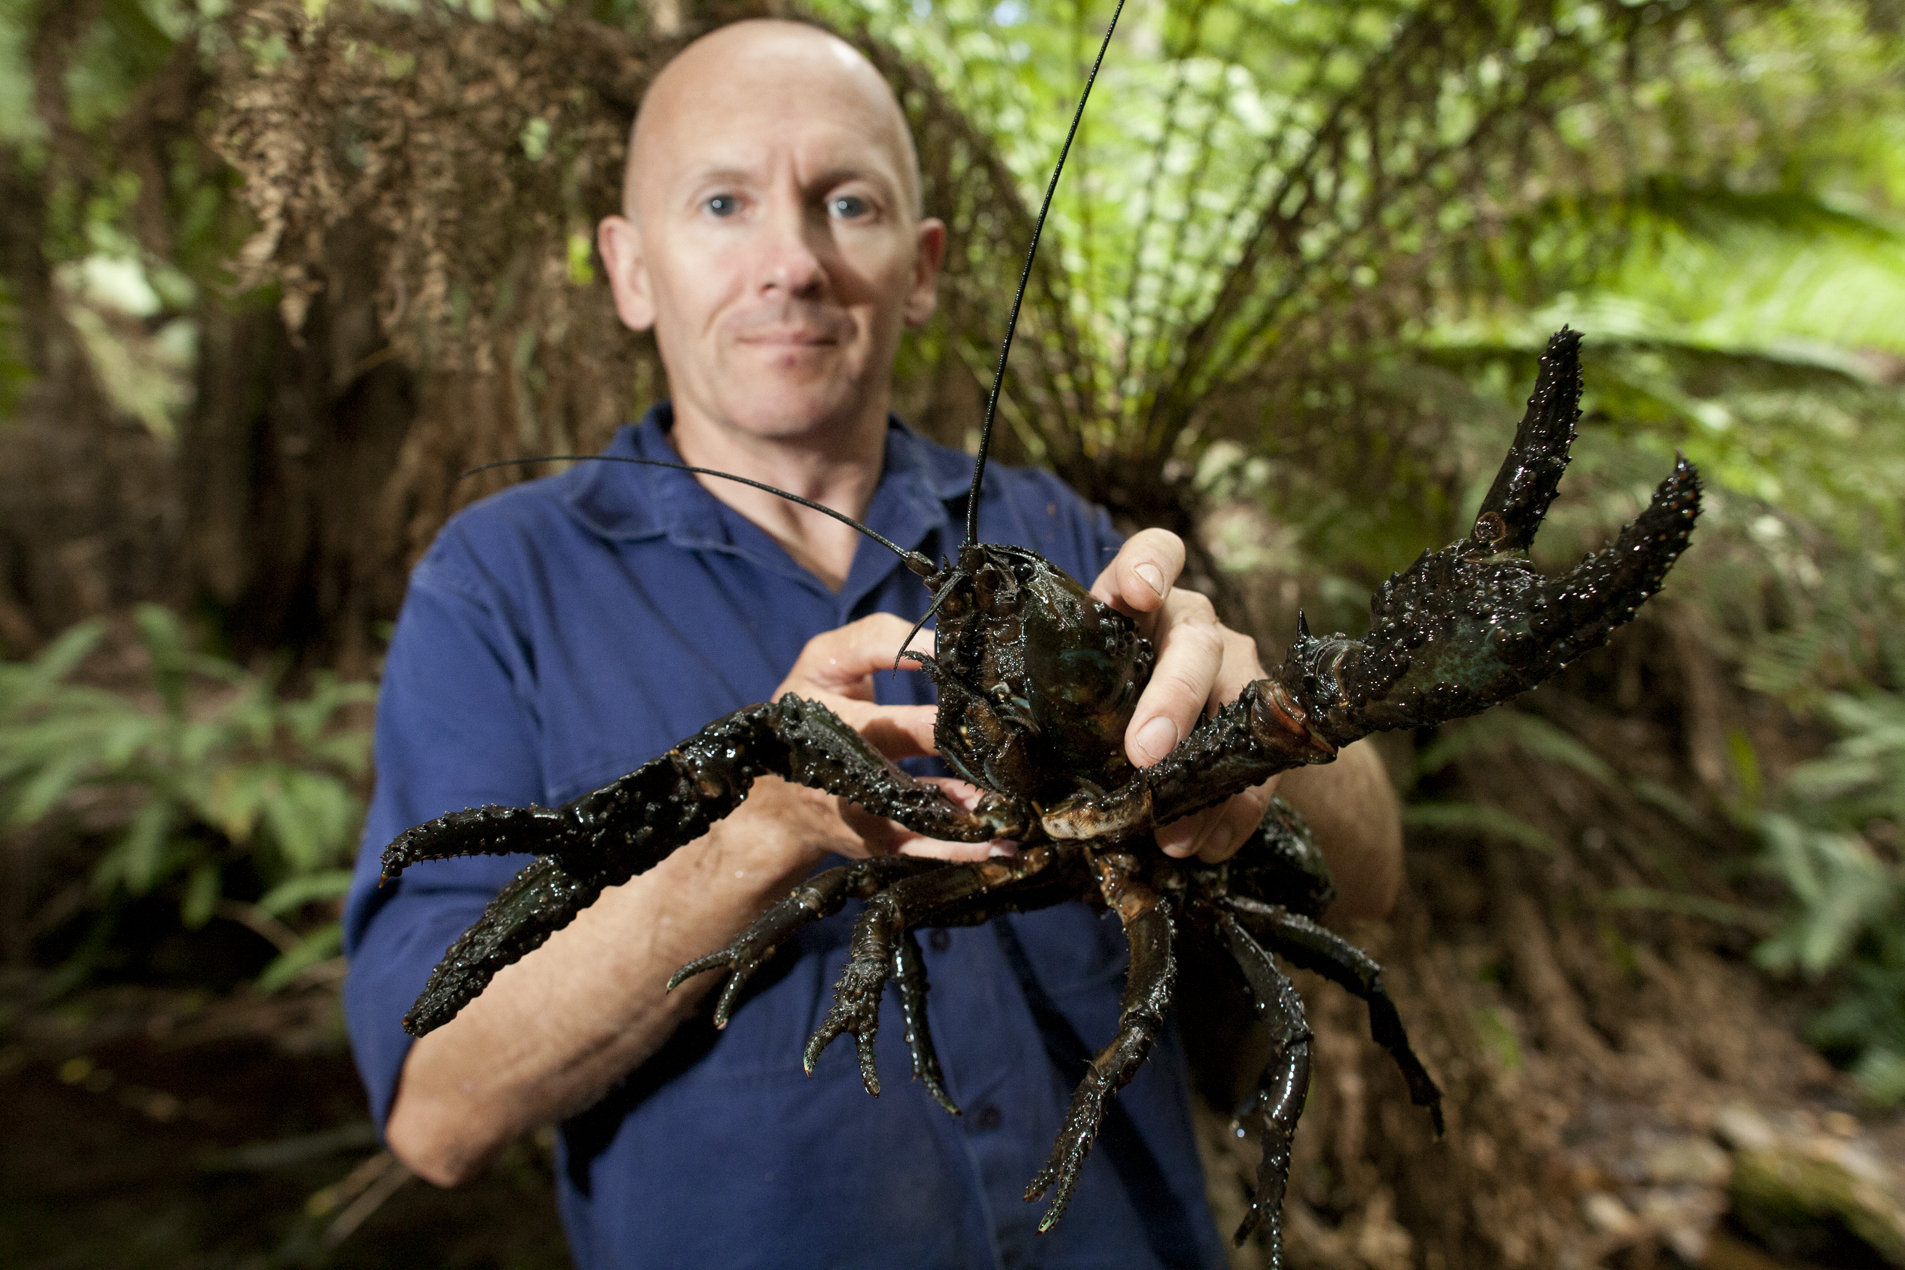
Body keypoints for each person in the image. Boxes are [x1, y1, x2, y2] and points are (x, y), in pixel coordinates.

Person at [341, 19, 1402, 1269]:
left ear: (925, 263)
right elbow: (437, 1111)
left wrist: (1260, 738)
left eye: (847, 202)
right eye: (724, 202)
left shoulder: (1067, 535)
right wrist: (758, 837)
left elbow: (1373, 881)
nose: (790, 261)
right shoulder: (498, 581)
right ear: (631, 270)